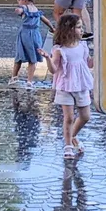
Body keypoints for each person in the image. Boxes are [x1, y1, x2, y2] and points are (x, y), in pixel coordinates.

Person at [39, 13, 93, 159]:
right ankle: (68, 145)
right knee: (68, 117)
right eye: (79, 27)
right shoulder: (59, 49)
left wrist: (102, 54)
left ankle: (72, 136)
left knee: (85, 116)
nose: (82, 30)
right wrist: (47, 59)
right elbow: (54, 70)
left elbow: (89, 63)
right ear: (69, 30)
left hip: (81, 84)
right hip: (65, 86)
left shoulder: (83, 46)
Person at [11, 0, 54, 87]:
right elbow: (46, 20)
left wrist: (18, 10)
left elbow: (20, 10)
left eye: (18, 0)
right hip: (35, 35)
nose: (18, 2)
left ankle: (14, 77)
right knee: (33, 58)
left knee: (19, 56)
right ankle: (29, 81)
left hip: (25, 34)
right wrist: (52, 28)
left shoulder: (24, 8)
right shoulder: (36, 9)